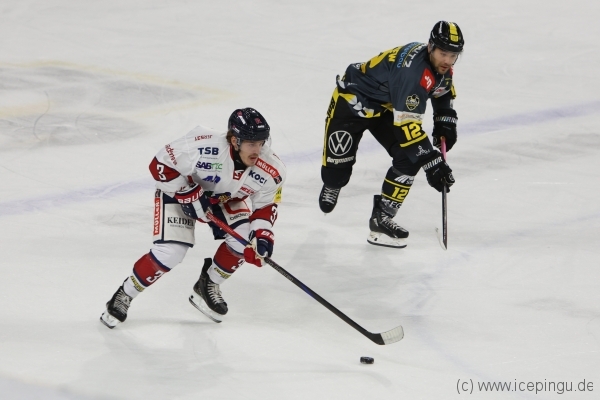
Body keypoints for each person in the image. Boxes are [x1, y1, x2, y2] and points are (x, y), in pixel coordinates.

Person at [100, 108, 286, 328]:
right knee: (171, 252)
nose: (258, 150)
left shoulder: (272, 168)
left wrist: (262, 237)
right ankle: (125, 294)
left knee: (245, 240)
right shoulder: (203, 147)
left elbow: (265, 205)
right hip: (180, 192)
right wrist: (186, 193)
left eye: (261, 143)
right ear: (234, 140)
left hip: (227, 198)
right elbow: (159, 165)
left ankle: (207, 284)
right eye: (251, 144)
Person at [318, 21, 464, 248]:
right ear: (430, 47)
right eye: (443, 53)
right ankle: (333, 183)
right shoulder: (412, 74)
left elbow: (442, 91)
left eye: (453, 55)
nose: (447, 60)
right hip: (352, 103)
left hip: (385, 109)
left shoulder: (438, 66)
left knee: (410, 156)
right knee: (335, 173)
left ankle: (382, 217)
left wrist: (445, 119)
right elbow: (406, 127)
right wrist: (433, 162)